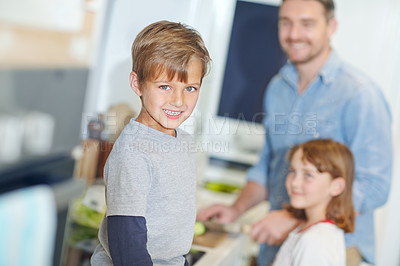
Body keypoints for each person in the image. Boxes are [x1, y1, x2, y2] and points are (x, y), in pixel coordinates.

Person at [197, 0, 392, 265]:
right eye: (286, 22)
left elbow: (375, 186)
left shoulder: (360, 94)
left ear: (331, 27)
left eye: (307, 24)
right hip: (280, 243)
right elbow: (269, 164)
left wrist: (294, 218)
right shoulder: (278, 87)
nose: (294, 34)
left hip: (332, 247)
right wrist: (236, 208)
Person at [91, 20, 210, 266]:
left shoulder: (184, 142)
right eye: (164, 86)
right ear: (137, 84)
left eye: (190, 88)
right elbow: (127, 243)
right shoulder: (133, 153)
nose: (178, 101)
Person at [273, 139, 355, 265]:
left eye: (308, 175)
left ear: (336, 186)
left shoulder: (315, 241)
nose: (295, 182)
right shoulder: (310, 232)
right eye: (293, 171)